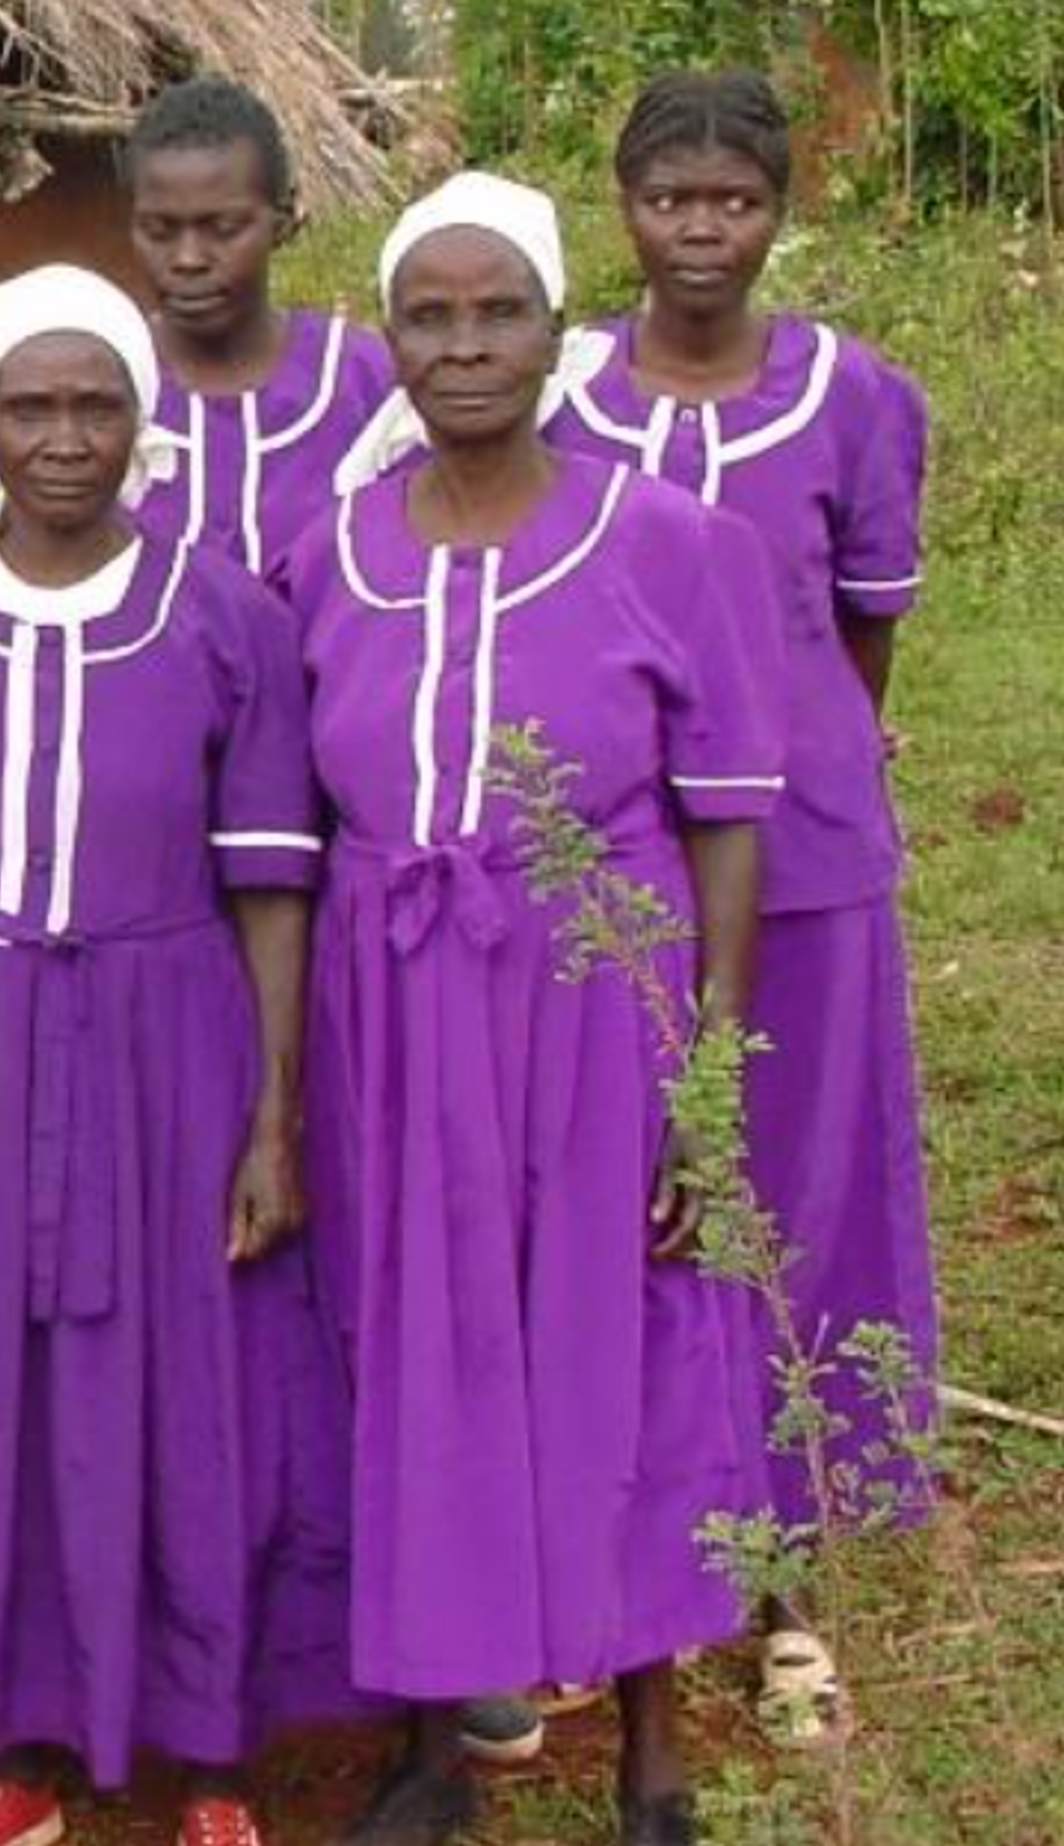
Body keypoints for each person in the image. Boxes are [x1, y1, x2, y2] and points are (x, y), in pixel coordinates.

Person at [285, 174, 780, 1846]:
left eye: (499, 309)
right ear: (392, 341)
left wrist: (701, 1076)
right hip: (392, 1001)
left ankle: (651, 1740)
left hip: (593, 996)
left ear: (557, 328)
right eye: (430, 312)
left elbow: (726, 821)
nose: (465, 342)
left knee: (617, 1341)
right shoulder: (333, 550)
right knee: (413, 1348)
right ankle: (430, 1729)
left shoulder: (663, 540)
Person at [0, 268, 350, 1846]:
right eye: (30, 408)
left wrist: (272, 1113)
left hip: (167, 1030)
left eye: (97, 406)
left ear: (142, 423)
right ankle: (12, 1754)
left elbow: (268, 882)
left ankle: (207, 1758)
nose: (63, 440)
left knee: (189, 1387)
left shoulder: (222, 615)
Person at [557, 72, 936, 1745]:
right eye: (668, 198)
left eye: (734, 201)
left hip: (809, 861)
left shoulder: (854, 396)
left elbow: (860, 637)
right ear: (621, 206)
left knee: (799, 1194)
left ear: (781, 211)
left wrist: (796, 757)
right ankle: (624, 1560)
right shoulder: (563, 391)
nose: (700, 230)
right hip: (617, 871)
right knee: (630, 1199)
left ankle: (784, 1592)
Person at [118, 83, 393, 577]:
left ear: (284, 219)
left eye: (223, 229)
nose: (188, 259)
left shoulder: (364, 383)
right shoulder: (92, 389)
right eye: (159, 231)